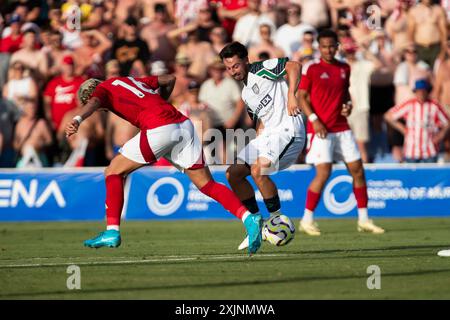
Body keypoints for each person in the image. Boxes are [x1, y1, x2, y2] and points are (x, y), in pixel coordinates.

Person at [64, 74, 263, 254]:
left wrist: (78, 118)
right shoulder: (129, 80)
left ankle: (112, 231)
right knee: (207, 185)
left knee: (113, 171)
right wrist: (161, 102)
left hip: (159, 128)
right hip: (183, 125)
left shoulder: (101, 90)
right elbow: (169, 79)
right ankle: (249, 219)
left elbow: (96, 100)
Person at [298, 29, 384, 236]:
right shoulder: (311, 68)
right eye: (324, 46)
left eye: (331, 45)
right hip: (320, 129)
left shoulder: (344, 68)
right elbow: (302, 97)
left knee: (358, 171)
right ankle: (306, 219)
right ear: (319, 47)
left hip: (341, 127)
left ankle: (364, 219)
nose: (328, 49)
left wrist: (348, 106)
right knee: (324, 172)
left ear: (337, 46)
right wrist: (314, 120)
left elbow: (344, 94)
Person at [220, 41, 305, 250]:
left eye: (236, 66)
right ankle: (255, 224)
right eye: (228, 68)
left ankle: (276, 220)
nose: (232, 72)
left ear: (246, 61)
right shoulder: (245, 94)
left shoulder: (261, 69)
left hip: (289, 130)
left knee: (258, 169)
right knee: (233, 173)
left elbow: (294, 66)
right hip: (269, 135)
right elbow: (260, 118)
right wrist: (259, 130)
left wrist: (291, 95)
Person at [384, 79, 449, 163]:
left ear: (427, 92)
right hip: (411, 151)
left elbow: (447, 122)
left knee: (429, 175)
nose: (421, 94)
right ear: (415, 92)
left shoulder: (434, 106)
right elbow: (388, 116)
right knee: (411, 175)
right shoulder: (409, 104)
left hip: (430, 150)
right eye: (419, 91)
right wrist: (402, 128)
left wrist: (441, 135)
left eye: (423, 91)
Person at [407, 0, 448, 69]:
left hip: (435, 49)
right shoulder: (414, 11)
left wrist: (443, 51)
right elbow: (410, 32)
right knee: (421, 74)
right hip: (419, 49)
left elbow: (444, 32)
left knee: (437, 73)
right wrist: (411, 50)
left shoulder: (439, 10)